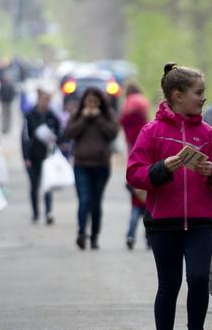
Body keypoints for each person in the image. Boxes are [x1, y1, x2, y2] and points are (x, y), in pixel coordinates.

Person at [127, 62, 212, 330]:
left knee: (198, 278)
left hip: (201, 220)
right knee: (168, 284)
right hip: (163, 221)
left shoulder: (207, 134)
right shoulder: (152, 132)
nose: (203, 99)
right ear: (176, 95)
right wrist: (163, 169)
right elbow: (134, 174)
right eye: (198, 93)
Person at [64, 88, 120, 250]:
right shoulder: (77, 115)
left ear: (100, 103)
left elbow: (113, 133)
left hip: (101, 165)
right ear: (84, 101)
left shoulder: (107, 115)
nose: (92, 105)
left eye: (95, 102)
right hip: (82, 164)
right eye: (89, 101)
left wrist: (98, 119)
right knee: (84, 200)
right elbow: (68, 133)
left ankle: (94, 236)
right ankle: (82, 233)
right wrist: (84, 119)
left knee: (96, 203)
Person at [21, 88, 62, 224]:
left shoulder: (52, 116)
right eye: (42, 100)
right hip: (33, 156)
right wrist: (26, 157)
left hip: (47, 156)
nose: (44, 102)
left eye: (46, 100)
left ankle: (48, 212)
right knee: (34, 185)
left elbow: (60, 134)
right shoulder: (30, 115)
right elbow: (25, 138)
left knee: (47, 185)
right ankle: (35, 213)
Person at [119, 82, 151, 250]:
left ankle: (131, 236)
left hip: (132, 151)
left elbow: (122, 121)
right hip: (146, 185)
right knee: (148, 214)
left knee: (134, 215)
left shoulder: (128, 103)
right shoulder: (143, 103)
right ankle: (148, 240)